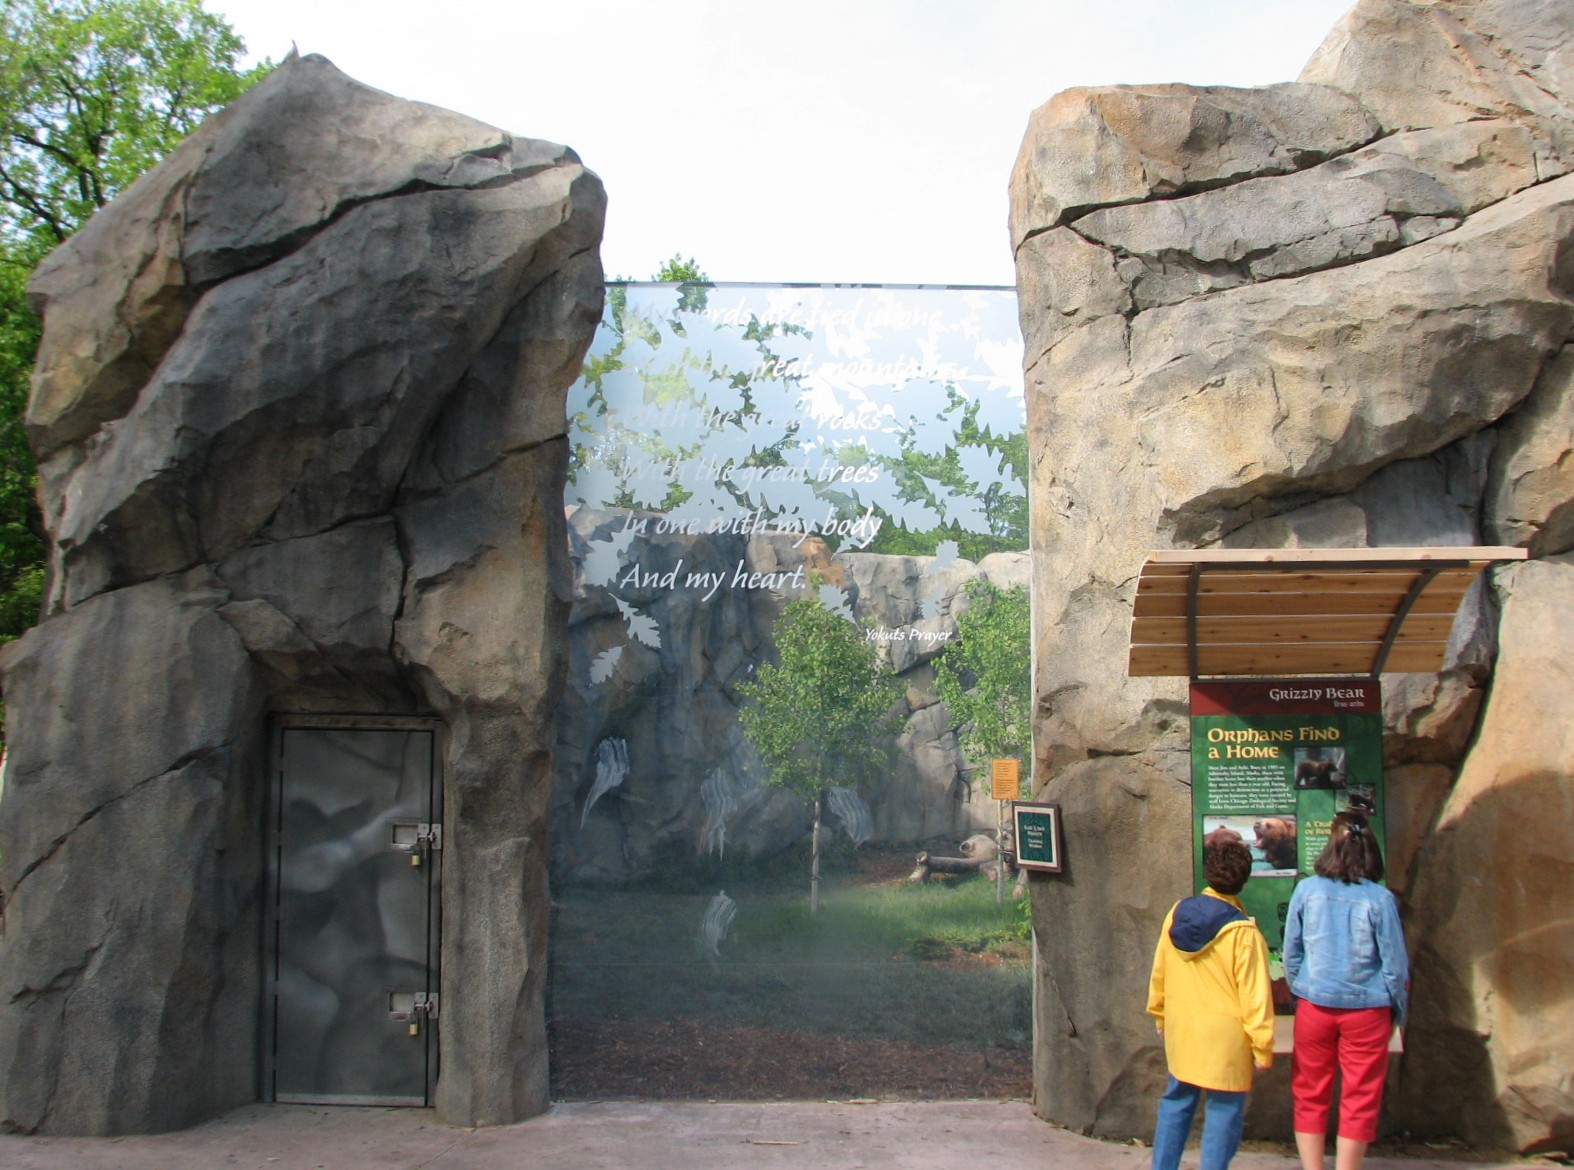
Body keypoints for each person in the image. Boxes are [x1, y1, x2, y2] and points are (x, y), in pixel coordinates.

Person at [1283, 811, 1409, 1170]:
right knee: (1360, 1097)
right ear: (1371, 852)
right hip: (1368, 1011)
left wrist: (1302, 990)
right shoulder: (1380, 899)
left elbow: (1291, 950)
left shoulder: (1306, 889)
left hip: (1314, 1005)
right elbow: (1395, 966)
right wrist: (1397, 1011)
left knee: (1309, 1092)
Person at [1146, 840, 1274, 1170]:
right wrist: (1262, 1045)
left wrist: (1158, 1012)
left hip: (1182, 1027)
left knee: (1176, 1100)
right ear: (1244, 878)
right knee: (1224, 1109)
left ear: (1207, 872)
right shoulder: (1244, 933)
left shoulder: (1176, 914)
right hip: (1226, 1039)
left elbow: (1159, 968)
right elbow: (1255, 995)